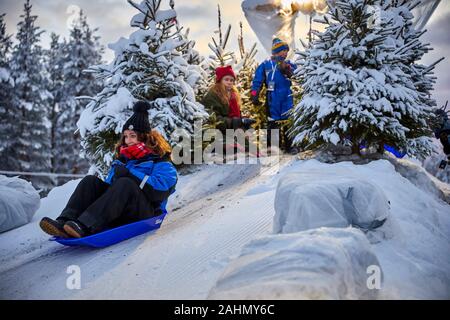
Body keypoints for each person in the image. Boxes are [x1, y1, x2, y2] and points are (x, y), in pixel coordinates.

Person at [39, 101, 178, 239]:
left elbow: (159, 192)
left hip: (146, 213)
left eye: (133, 136)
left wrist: (131, 175)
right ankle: (64, 222)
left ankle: (85, 225)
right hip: (119, 212)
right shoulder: (122, 161)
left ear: (144, 137)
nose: (128, 140)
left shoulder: (161, 162)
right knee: (90, 181)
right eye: (125, 136)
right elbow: (110, 193)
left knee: (126, 183)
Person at [251, 37, 297, 153]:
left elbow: (298, 74)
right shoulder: (266, 64)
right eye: (283, 50)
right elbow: (257, 80)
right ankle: (274, 148)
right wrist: (254, 94)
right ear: (276, 51)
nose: (286, 52)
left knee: (288, 121)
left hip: (287, 96)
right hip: (272, 97)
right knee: (273, 121)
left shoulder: (289, 64)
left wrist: (289, 71)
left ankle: (290, 146)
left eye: (287, 50)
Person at [202, 65, 255, 132]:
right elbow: (214, 118)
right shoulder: (213, 95)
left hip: (232, 130)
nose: (229, 82)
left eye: (231, 80)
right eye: (226, 79)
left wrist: (244, 125)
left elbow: (236, 116)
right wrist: (236, 122)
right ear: (220, 80)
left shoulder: (233, 95)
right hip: (218, 132)